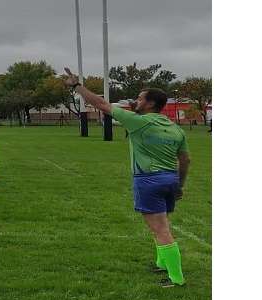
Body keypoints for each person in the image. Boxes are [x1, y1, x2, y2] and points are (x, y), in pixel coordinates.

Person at [62, 67, 190, 288]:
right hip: (170, 180)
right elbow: (186, 159)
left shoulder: (138, 121)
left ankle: (176, 279)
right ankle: (162, 263)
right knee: (161, 224)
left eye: (140, 99)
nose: (136, 102)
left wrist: (76, 86)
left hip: (148, 181)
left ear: (149, 104)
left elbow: (101, 104)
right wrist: (179, 184)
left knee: (160, 229)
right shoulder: (175, 129)